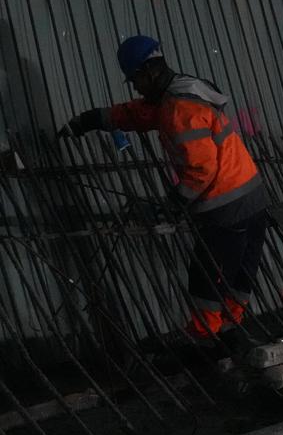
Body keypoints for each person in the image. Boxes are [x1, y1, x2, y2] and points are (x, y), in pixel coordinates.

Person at [60, 35, 269, 339]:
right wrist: (93, 120)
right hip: (251, 194)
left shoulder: (177, 110)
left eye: (135, 79)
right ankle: (230, 327)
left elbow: (202, 169)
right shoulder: (183, 89)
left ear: (150, 73)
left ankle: (205, 336)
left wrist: (175, 202)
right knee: (239, 272)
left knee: (207, 275)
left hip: (226, 206)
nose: (135, 87)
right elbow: (140, 113)